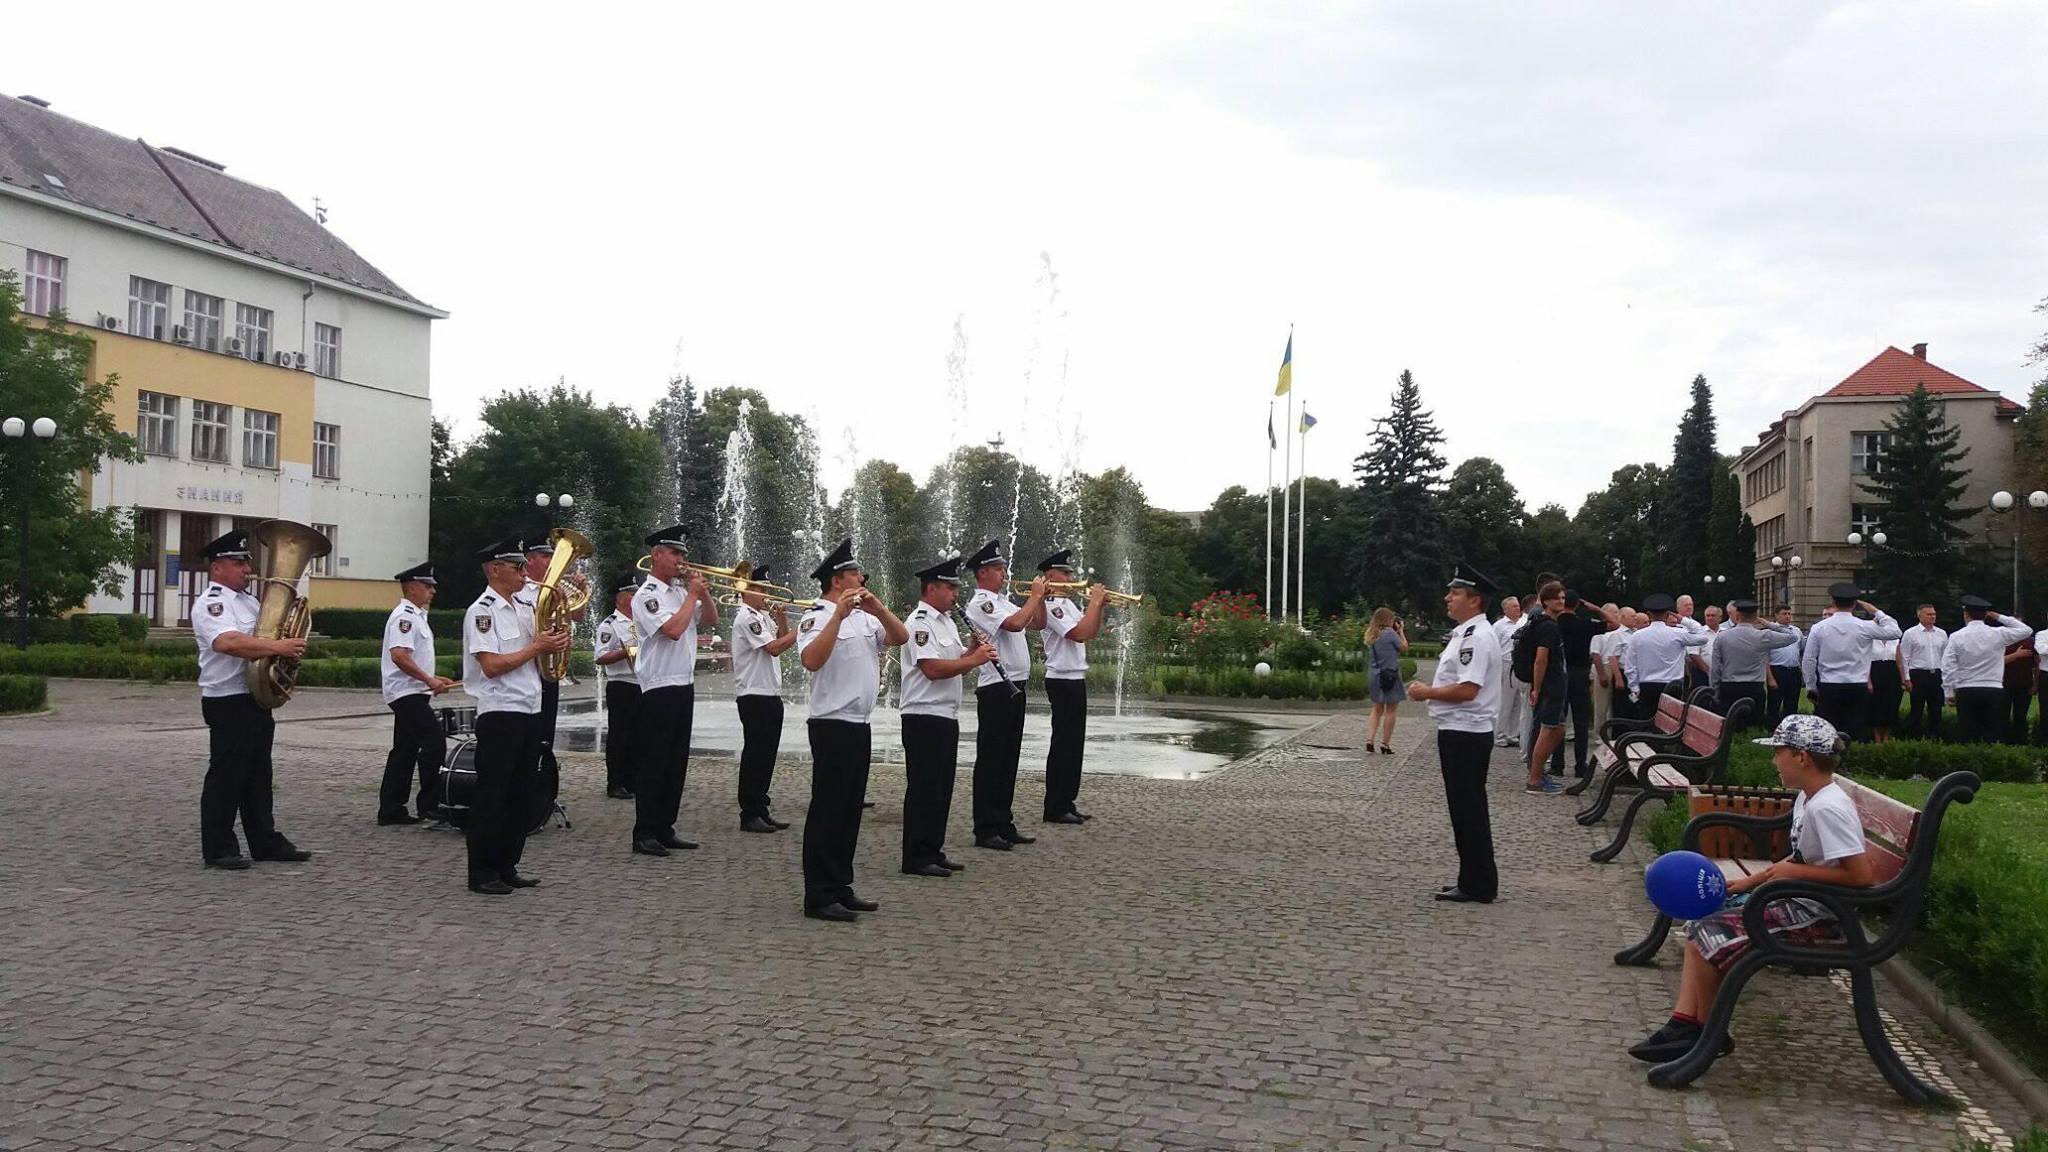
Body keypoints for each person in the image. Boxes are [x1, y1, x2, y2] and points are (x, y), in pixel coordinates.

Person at [1627, 714, 1872, 1065]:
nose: (1774, 760)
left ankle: (1709, 1034)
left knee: (1709, 933)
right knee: (1701, 922)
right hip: (1796, 898)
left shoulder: (1829, 808)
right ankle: (1685, 1024)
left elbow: (1862, 877)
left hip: (1820, 913)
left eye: (1779, 752)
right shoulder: (1810, 798)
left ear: (1802, 757)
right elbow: (1799, 858)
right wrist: (1751, 882)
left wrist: (1792, 872)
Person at [796, 538, 908, 921]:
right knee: (828, 810)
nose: (863, 578)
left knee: (849, 811)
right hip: (830, 724)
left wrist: (878, 607)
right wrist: (836, 618)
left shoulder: (866, 616)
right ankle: (819, 895)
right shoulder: (816, 616)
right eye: (856, 574)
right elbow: (811, 659)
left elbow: (900, 637)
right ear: (838, 580)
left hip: (859, 723)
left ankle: (841, 885)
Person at [191, 528, 311, 870]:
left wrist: (285, 651)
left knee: (258, 775)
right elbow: (228, 643)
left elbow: (268, 642)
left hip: (254, 698)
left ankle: (264, 841)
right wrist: (279, 647)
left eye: (246, 562)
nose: (247, 569)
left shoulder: (249, 601)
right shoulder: (213, 603)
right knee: (227, 775)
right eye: (237, 563)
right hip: (227, 700)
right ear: (217, 568)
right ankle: (218, 847)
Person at [462, 538, 569, 895]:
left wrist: (554, 643)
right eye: (517, 567)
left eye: (525, 566)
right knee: (493, 794)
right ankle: (482, 871)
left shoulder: (525, 605)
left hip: (530, 708)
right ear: (495, 570)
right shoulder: (482, 610)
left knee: (522, 793)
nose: (525, 573)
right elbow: (491, 666)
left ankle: (508, 864)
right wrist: (537, 647)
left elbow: (541, 651)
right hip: (500, 711)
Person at [1406, 562, 1503, 904]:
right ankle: (1473, 878)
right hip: (1460, 730)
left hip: (1466, 732)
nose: (1448, 597)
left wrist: (1425, 692)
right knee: (1464, 809)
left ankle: (1478, 884)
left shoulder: (1476, 638)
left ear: (1474, 600)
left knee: (1468, 809)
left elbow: (1468, 689)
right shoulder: (1466, 634)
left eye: (1456, 592)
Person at [899, 555, 996, 876]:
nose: (956, 594)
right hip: (923, 716)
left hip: (945, 715)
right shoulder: (919, 623)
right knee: (924, 788)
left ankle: (933, 848)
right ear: (932, 588)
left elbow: (957, 665)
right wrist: (975, 660)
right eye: (950, 588)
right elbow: (932, 669)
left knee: (941, 789)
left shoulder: (946, 622)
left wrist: (972, 650)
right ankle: (916, 856)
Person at [629, 525, 716, 857]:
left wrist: (702, 592)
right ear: (656, 555)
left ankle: (665, 827)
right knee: (655, 760)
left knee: (676, 761)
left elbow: (709, 619)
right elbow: (673, 630)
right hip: (659, 686)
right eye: (675, 553)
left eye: (683, 554)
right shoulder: (647, 595)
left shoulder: (681, 592)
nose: (682, 559)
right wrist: (692, 594)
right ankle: (645, 831)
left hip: (683, 684)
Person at [962, 539, 1048, 851]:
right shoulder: (981, 603)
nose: (1004, 573)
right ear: (983, 572)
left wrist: (1040, 601)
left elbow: (1035, 622)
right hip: (996, 687)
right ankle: (985, 828)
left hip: (1015, 686)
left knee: (1009, 758)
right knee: (992, 759)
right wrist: (1035, 596)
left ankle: (1003, 821)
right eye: (999, 569)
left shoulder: (1005, 600)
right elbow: (1014, 625)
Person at [377, 561, 457, 825]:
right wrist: (428, 679)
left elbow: (411, 658)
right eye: (427, 586)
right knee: (434, 743)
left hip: (414, 691)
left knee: (405, 750)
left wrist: (433, 679)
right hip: (406, 693)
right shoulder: (405, 617)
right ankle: (430, 805)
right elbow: (399, 656)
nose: (433, 591)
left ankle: (391, 809)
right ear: (412, 588)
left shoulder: (416, 615)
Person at [1036, 549, 1109, 824]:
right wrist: (1094, 604)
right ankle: (1055, 805)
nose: (1070, 577)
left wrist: (1098, 607)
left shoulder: (1068, 603)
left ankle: (1067, 800)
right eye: (1064, 573)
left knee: (1074, 744)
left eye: (1069, 573)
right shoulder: (1052, 603)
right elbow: (1077, 634)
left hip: (1075, 678)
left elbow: (1089, 632)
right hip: (1062, 678)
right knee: (1063, 743)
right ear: (1050, 576)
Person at [730, 565, 799, 833]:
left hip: (769, 693)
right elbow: (773, 648)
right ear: (746, 590)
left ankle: (761, 807)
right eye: (761, 589)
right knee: (756, 754)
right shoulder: (747, 617)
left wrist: (782, 621)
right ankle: (749, 812)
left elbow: (781, 642)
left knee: (767, 754)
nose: (766, 594)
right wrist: (805, 628)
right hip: (754, 694)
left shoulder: (761, 616)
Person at [520, 539, 585, 798]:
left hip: (548, 671)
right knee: (528, 735)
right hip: (526, 671)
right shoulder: (519, 591)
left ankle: (542, 792)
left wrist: (579, 590)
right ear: (530, 560)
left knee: (546, 732)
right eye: (546, 557)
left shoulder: (556, 588)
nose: (551, 562)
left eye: (552, 556)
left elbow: (577, 616)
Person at [1801, 583, 1900, 742]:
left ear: (1833, 602)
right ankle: (1852, 762)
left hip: (1829, 685)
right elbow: (1895, 631)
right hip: (1857, 685)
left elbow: (1809, 659)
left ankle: (1829, 764)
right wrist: (1875, 611)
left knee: (1828, 733)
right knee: (1854, 732)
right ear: (1854, 604)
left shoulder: (1819, 627)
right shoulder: (1864, 626)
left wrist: (1811, 686)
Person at [1934, 595, 2027, 745]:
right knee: (1992, 734)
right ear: (1985, 615)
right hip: (1993, 688)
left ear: (1966, 614)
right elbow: (2025, 630)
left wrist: (1949, 692)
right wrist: (1999, 617)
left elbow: (1948, 666)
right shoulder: (1998, 634)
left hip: (1966, 689)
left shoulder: (1957, 636)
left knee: (1967, 734)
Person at [1549, 591, 1614, 778]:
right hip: (1580, 672)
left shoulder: (1554, 623)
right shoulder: (1584, 624)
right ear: (1578, 604)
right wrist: (1596, 609)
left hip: (1560, 672)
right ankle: (1580, 765)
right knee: (1581, 721)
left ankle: (1557, 763)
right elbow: (1614, 624)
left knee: (1558, 720)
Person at [1706, 599, 1798, 729]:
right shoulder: (1763, 636)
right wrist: (1770, 624)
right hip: (1754, 687)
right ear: (1755, 617)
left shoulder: (1722, 637)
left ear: (1737, 616)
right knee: (1753, 728)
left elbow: (1715, 668)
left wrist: (1715, 691)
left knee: (1730, 727)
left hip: (1729, 686)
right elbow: (1792, 636)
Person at [592, 571, 643, 801]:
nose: (635, 596)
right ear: (620, 598)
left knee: (638, 736)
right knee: (620, 736)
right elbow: (600, 657)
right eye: (631, 593)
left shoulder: (641, 621)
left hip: (641, 683)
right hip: (621, 684)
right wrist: (627, 652)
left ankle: (633, 779)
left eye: (636, 592)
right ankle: (616, 782)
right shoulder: (610, 624)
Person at [1621, 593, 1709, 723]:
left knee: (1647, 724)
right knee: (1671, 724)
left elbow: (1630, 666)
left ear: (1649, 614)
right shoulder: (1678, 634)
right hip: (1672, 686)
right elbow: (1702, 636)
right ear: (1668, 614)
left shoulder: (1637, 636)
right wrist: (1683, 619)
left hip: (1647, 686)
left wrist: (1635, 688)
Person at [1520, 582, 1569, 795]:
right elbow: (1541, 659)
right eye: (1557, 598)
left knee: (1557, 729)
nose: (1561, 601)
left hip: (1554, 684)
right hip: (1550, 685)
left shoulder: (1543, 623)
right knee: (1547, 730)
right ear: (1546, 601)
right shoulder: (1548, 626)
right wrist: (1536, 688)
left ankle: (1538, 772)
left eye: (1563, 598)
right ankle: (1535, 779)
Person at [1365, 607, 1408, 755]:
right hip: (1391, 675)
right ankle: (1385, 743)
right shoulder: (1390, 634)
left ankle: (1369, 740)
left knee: (1376, 709)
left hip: (1375, 675)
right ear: (1389, 620)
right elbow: (1404, 647)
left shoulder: (1371, 634)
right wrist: (1401, 631)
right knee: (1391, 710)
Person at [1900, 605, 1947, 739]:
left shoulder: (1941, 633)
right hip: (1918, 674)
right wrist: (1907, 678)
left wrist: (1945, 676)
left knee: (1936, 708)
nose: (1932, 617)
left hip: (1936, 674)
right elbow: (1905, 657)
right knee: (1917, 708)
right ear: (1920, 616)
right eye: (1929, 614)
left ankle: (1935, 736)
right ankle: (1914, 736)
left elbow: (1945, 656)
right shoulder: (1910, 633)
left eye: (1934, 614)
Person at [1490, 596, 1528, 748]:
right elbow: (1493, 647)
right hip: (1505, 663)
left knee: (1519, 701)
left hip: (1520, 664)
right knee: (1506, 701)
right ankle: (1500, 735)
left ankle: (1513, 734)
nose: (1517, 609)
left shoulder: (1523, 623)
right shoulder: (1499, 626)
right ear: (1505, 610)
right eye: (1513, 607)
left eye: (1518, 606)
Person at [1763, 605, 1805, 727]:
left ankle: (1790, 729)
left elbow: (1801, 649)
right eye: (1784, 614)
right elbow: (1764, 656)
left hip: (1793, 671)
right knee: (1774, 703)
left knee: (1792, 703)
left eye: (1789, 613)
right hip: (1777, 670)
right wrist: (1770, 677)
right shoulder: (1770, 632)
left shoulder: (1796, 631)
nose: (1787, 616)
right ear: (1776, 615)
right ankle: (1772, 729)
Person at [1868, 632, 1903, 743]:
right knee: (1876, 706)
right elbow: (1865, 661)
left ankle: (1886, 738)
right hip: (1875, 672)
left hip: (1892, 673)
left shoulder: (1895, 640)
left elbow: (1899, 661)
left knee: (1891, 706)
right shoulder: (1870, 640)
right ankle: (1877, 739)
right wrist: (1868, 681)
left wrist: (1903, 679)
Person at [1604, 608, 1638, 723]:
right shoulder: (1617, 635)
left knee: (1635, 704)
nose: (1635, 618)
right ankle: (1619, 733)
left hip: (1636, 673)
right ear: (1623, 617)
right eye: (1632, 616)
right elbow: (1613, 657)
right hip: (1623, 673)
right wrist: (1618, 678)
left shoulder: (1637, 633)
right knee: (1622, 705)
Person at [2004, 635, 2036, 745]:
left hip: (2024, 683)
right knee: (2003, 715)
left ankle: (2021, 742)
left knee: (2021, 716)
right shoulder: (2003, 640)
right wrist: (2016, 655)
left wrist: (2035, 684)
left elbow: (2036, 663)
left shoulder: (2030, 642)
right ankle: (2004, 741)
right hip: (2004, 683)